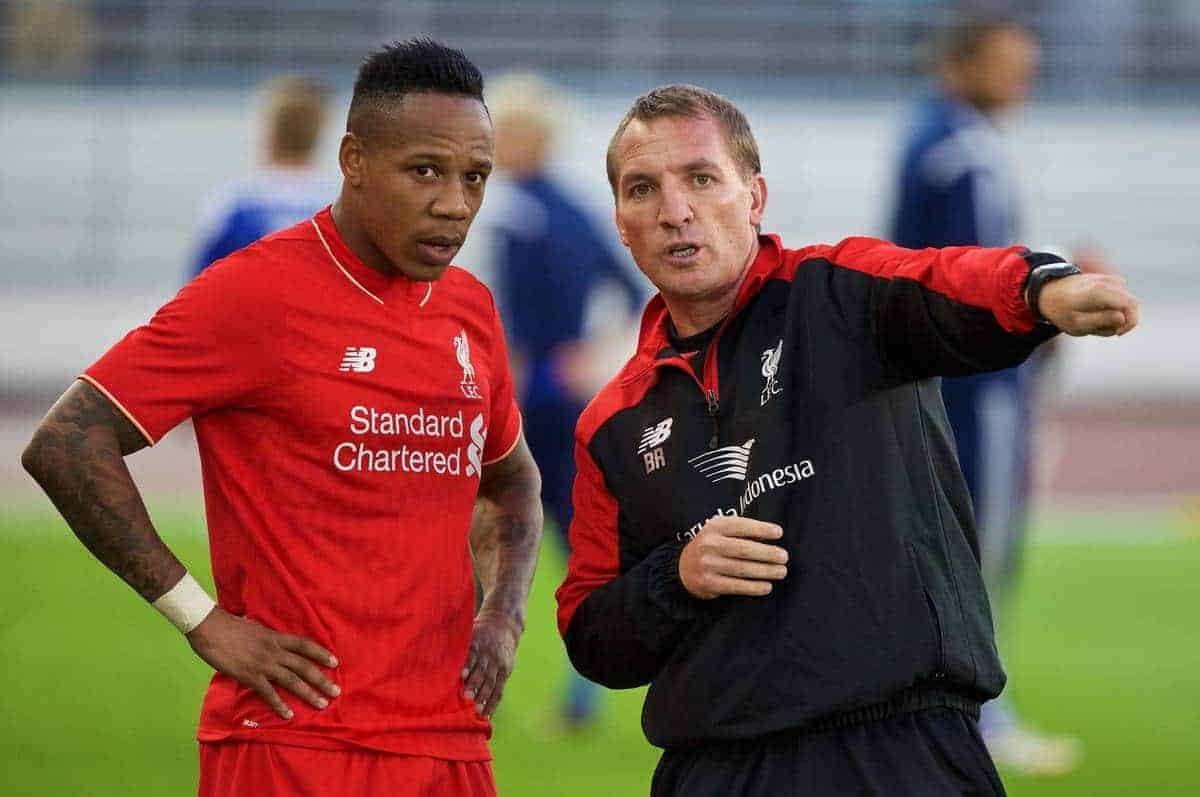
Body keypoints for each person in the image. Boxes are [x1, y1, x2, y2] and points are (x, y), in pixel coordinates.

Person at [554, 84, 1138, 796]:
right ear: (620, 221)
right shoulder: (612, 422)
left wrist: (1041, 289)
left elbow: (942, 280)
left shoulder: (838, 292)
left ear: (754, 196)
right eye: (643, 189)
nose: (675, 211)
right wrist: (676, 575)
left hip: (901, 752)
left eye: (702, 178)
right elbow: (591, 632)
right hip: (712, 769)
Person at [22, 39, 542, 797]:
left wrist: (504, 616)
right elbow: (66, 441)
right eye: (425, 170)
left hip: (449, 743)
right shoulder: (255, 294)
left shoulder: (470, 309)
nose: (454, 202)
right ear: (353, 159)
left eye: (475, 177)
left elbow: (513, 482)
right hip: (294, 743)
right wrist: (200, 617)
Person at [890, 18, 1081, 773]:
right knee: (978, 547)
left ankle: (952, 707)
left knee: (955, 549)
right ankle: (979, 714)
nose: (1020, 83)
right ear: (961, 63)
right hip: (977, 388)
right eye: (1008, 66)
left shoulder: (938, 138)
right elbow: (972, 278)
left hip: (959, 378)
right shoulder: (958, 153)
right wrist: (1048, 305)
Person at [487, 71, 645, 728]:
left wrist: (522, 371)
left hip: (527, 399)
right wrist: (589, 354)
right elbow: (632, 291)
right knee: (571, 543)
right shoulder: (575, 208)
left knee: (492, 533)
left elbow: (515, 318)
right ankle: (584, 696)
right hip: (561, 391)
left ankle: (445, 684)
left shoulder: (513, 209)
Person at [188, 74, 334, 279]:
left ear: (270, 130)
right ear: (318, 132)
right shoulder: (339, 207)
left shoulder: (234, 204)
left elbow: (197, 288)